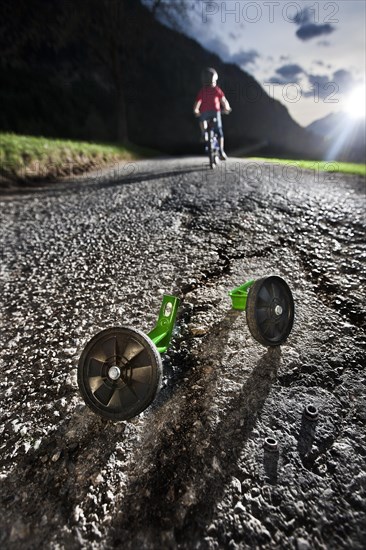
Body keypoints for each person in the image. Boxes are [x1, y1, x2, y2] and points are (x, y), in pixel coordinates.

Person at [193, 67, 231, 160]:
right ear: (214, 79)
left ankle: (204, 133)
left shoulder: (202, 91)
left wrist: (196, 110)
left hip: (204, 112)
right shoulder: (216, 90)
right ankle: (221, 151)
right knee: (219, 132)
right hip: (215, 112)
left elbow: (197, 103)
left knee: (202, 120)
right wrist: (227, 108)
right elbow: (223, 100)